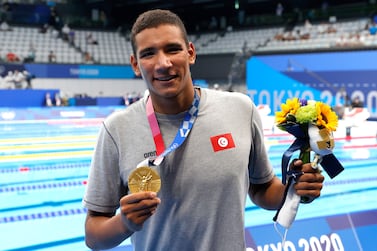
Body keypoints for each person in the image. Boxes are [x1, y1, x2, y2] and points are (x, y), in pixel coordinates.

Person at [83, 9, 324, 251]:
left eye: (172, 49)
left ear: (190, 53)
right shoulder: (117, 130)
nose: (163, 63)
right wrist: (124, 223)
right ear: (135, 65)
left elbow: (261, 188)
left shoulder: (241, 109)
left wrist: (292, 189)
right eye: (148, 54)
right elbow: (93, 235)